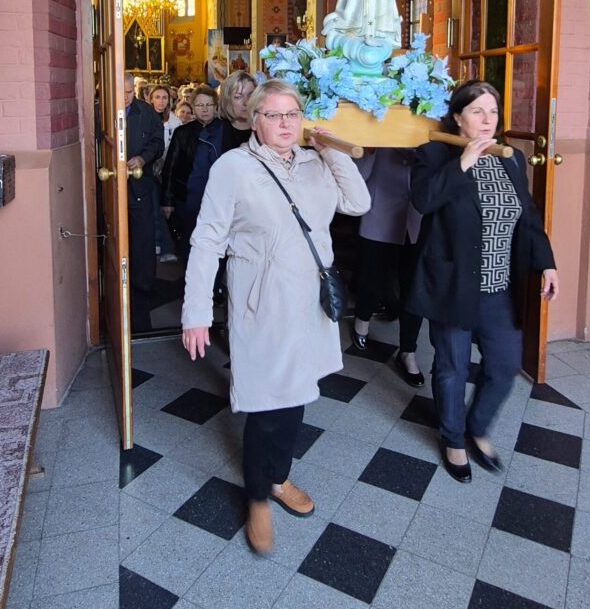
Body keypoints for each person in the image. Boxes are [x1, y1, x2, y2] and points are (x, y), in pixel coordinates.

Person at [182, 79, 370, 555]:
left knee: (296, 394)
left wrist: (332, 152)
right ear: (254, 119)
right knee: (266, 405)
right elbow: (206, 240)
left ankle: (278, 478)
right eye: (273, 115)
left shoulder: (314, 163)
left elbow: (358, 203)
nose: (284, 123)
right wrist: (196, 311)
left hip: (307, 302)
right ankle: (258, 499)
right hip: (261, 304)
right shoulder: (233, 167)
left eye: (292, 114)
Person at [407, 81, 558, 483]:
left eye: (493, 111)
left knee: (506, 364)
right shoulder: (434, 153)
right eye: (477, 111)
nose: (488, 119)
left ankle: (477, 426)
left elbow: (527, 216)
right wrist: (462, 164)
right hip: (453, 282)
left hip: (497, 286)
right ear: (458, 117)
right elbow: (423, 201)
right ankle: (453, 438)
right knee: (452, 367)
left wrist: (546, 263)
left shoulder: (512, 158)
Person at [352, 149, 425, 387]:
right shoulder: (376, 129)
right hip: (379, 212)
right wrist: (369, 151)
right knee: (371, 275)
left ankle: (408, 351)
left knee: (413, 289)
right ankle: (362, 320)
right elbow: (357, 176)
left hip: (415, 218)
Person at [184, 70, 255, 224]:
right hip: (221, 212)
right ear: (227, 100)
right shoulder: (211, 134)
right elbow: (200, 180)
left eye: (250, 95)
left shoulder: (266, 131)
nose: (246, 102)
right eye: (238, 97)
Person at [123, 74, 165, 332]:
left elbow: (157, 143)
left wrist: (142, 158)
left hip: (139, 184)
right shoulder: (100, 110)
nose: (125, 97)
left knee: (142, 238)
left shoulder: (146, 112)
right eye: (121, 91)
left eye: (129, 92)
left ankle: (142, 287)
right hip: (112, 184)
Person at [161, 85, 217, 250]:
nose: (205, 109)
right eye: (200, 105)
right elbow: (170, 167)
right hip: (187, 196)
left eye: (209, 104)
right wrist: (167, 200)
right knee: (188, 241)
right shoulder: (182, 132)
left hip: (216, 197)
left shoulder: (224, 129)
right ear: (193, 107)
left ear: (215, 106)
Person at [149, 85, 181, 262]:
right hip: (151, 170)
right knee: (155, 207)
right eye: (157, 97)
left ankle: (169, 244)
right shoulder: (147, 118)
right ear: (151, 99)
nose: (161, 101)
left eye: (164, 98)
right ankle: (160, 244)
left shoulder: (175, 121)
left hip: (169, 169)